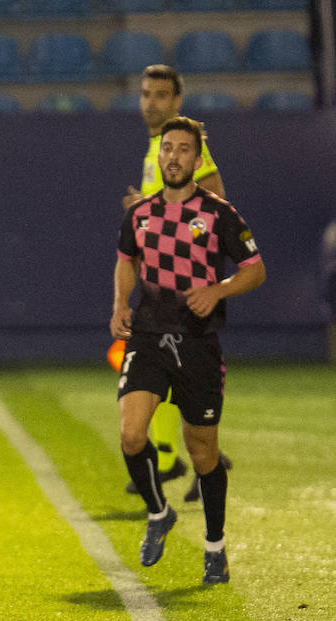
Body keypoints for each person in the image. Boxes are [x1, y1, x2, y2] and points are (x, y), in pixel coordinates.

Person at [112, 116, 266, 584]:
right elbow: (125, 261)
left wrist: (217, 291)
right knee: (132, 434)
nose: (174, 156)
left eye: (183, 150)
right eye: (167, 149)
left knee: (203, 453)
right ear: (158, 158)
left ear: (197, 161)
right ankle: (159, 512)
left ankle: (215, 547)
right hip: (149, 337)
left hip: (198, 343)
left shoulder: (220, 213)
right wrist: (120, 303)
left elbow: (255, 269)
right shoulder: (139, 214)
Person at [117, 64, 231, 504]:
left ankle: (202, 460)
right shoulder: (156, 150)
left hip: (188, 291)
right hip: (160, 291)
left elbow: (216, 204)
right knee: (164, 371)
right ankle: (173, 457)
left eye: (161, 95)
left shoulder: (187, 151)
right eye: (146, 94)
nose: (151, 102)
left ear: (177, 101)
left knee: (189, 375)